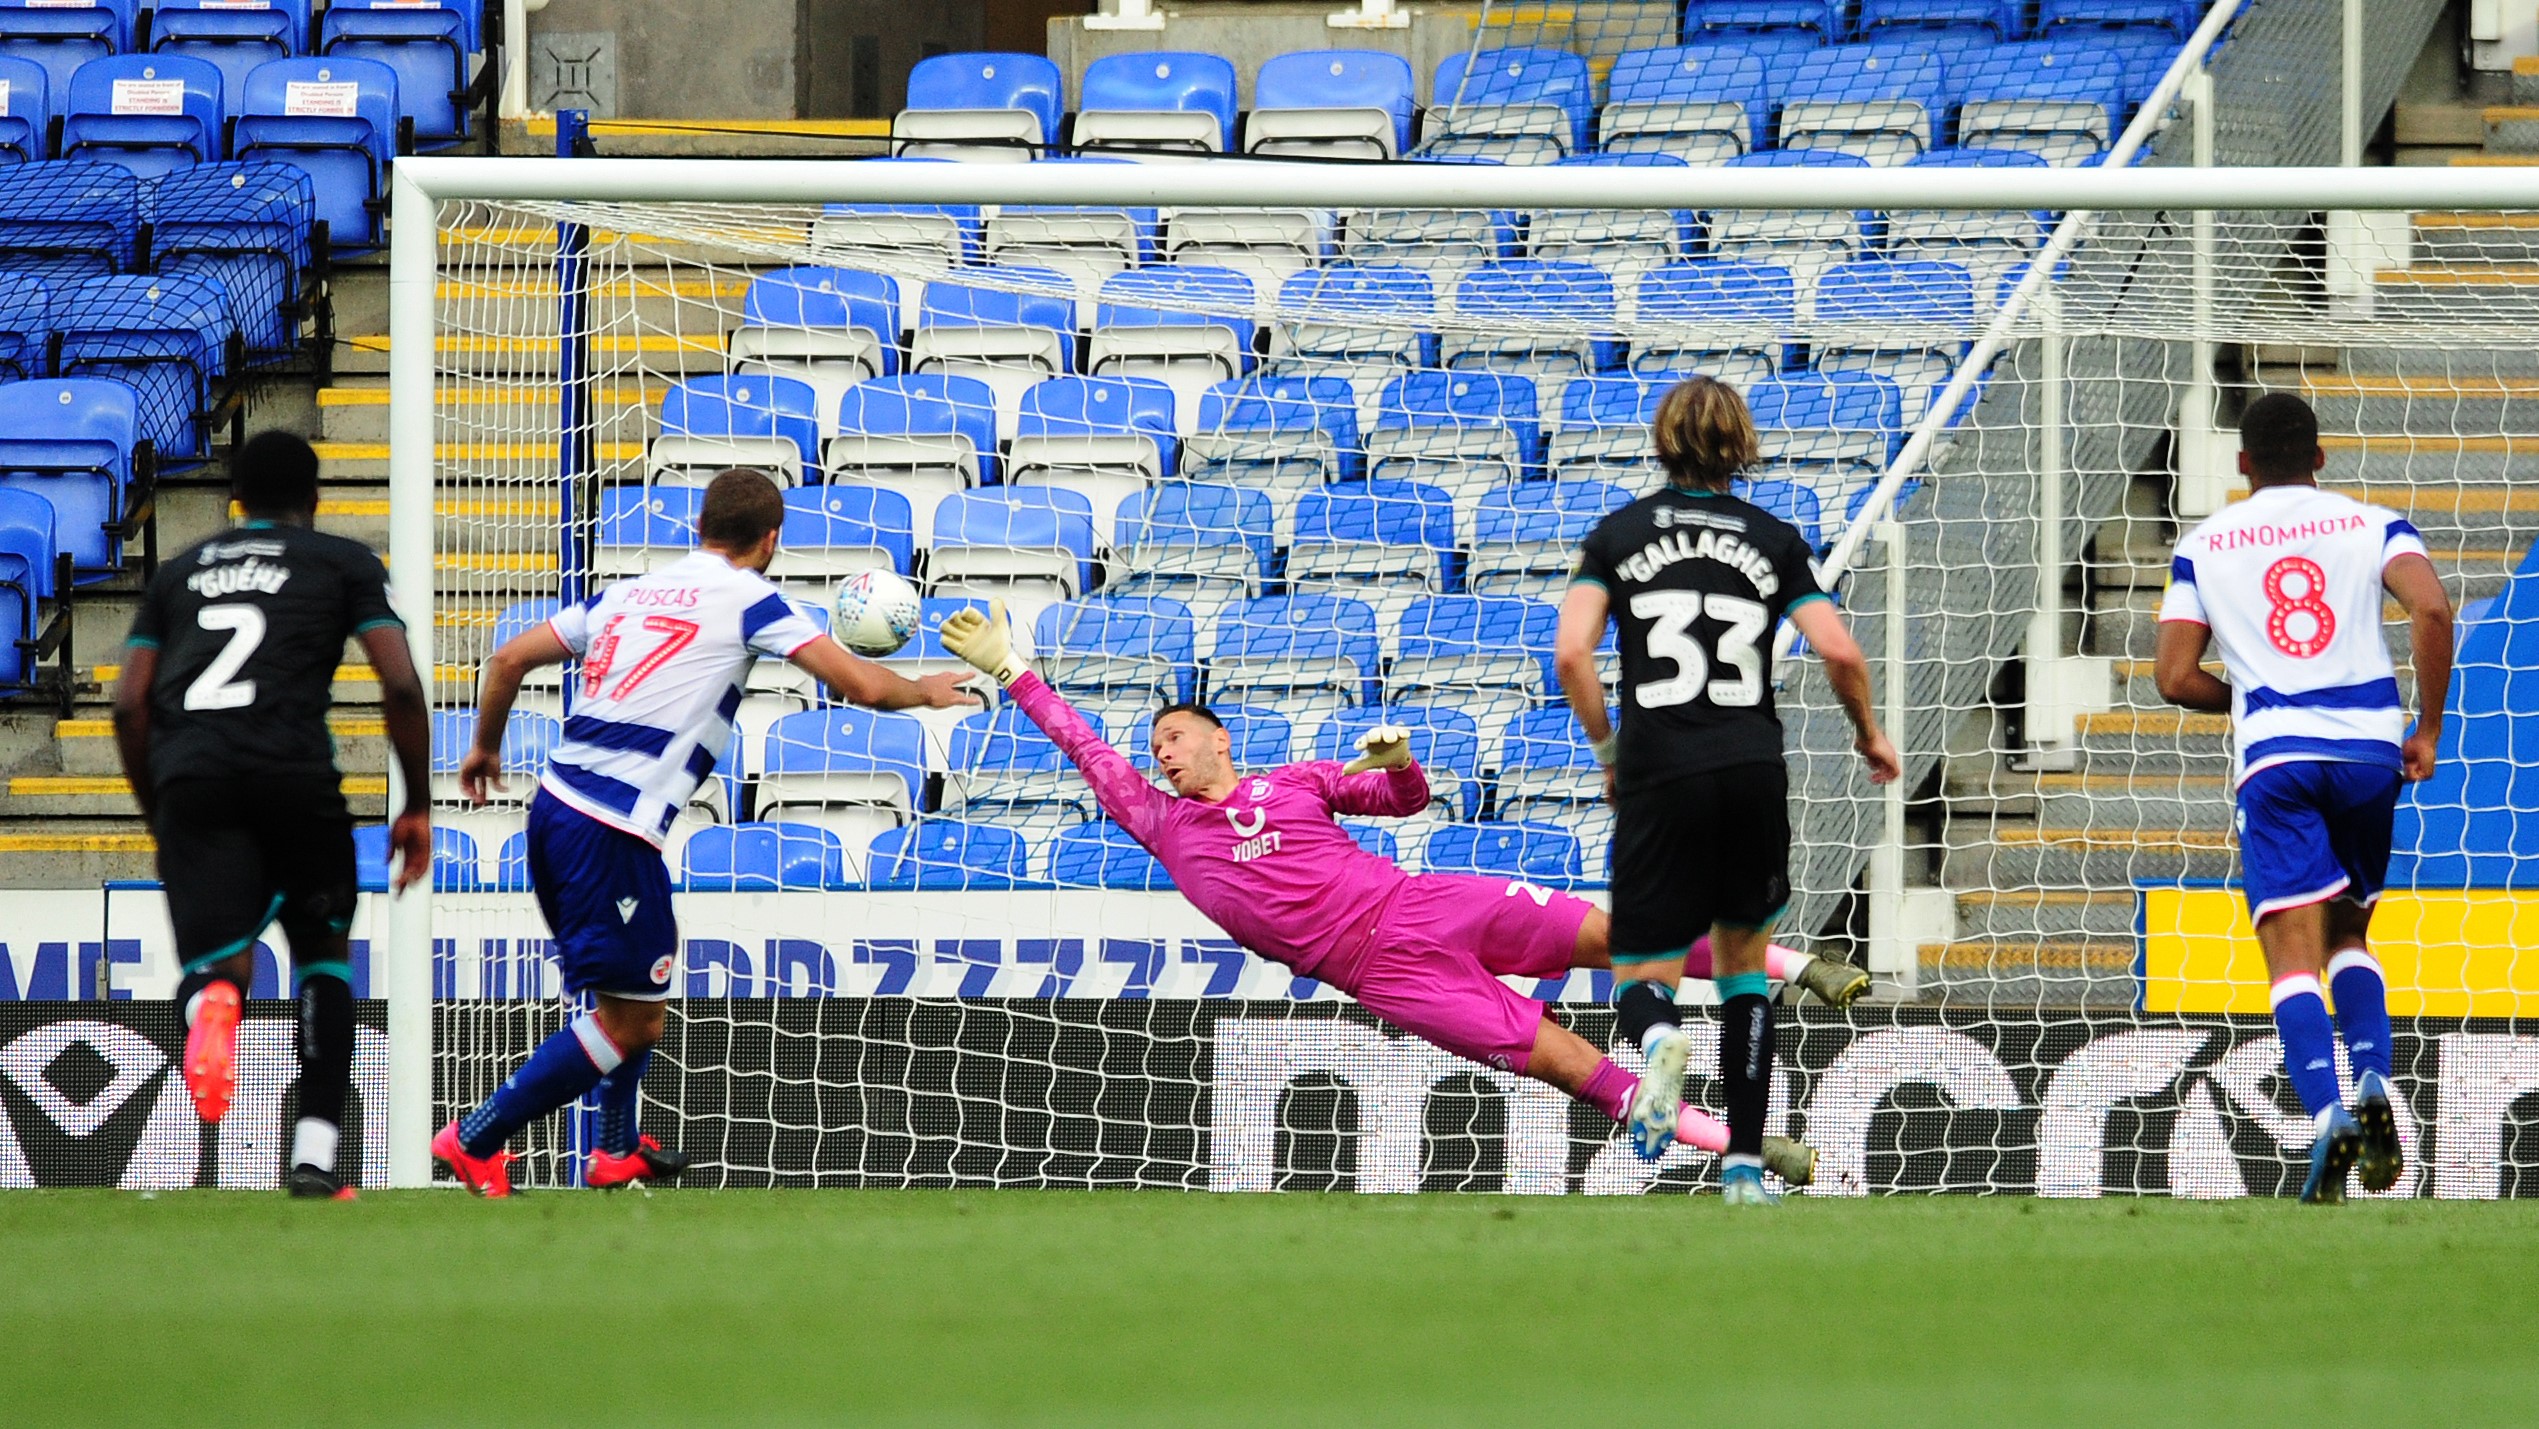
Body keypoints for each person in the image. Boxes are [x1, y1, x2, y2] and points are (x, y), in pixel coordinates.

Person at [937, 604, 1840, 1188]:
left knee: (1619, 934)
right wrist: (1012, 667)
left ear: (1220, 743)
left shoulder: (1294, 780)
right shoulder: (1164, 825)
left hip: (1423, 901)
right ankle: (1744, 1146)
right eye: (1156, 743)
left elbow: (1405, 802)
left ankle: (1794, 963)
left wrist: (1402, 763)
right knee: (1567, 1063)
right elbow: (1085, 747)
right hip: (1379, 973)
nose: (1160, 751)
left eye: (1175, 736)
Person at [436, 468, 975, 1197]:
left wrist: (483, 748)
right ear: (772, 538)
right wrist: (927, 690)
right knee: (632, 1022)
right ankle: (476, 1136)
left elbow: (506, 659)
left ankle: (615, 1149)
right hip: (609, 826)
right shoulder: (750, 598)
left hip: (558, 807)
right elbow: (861, 687)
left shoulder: (628, 592)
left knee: (637, 998)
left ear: (700, 529)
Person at [1554, 376, 1900, 1206]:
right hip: (1750, 767)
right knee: (1745, 973)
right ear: (1740, 444)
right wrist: (1867, 732)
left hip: (1658, 770)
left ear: (1661, 442)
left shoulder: (1617, 534)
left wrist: (1609, 751)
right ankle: (1745, 1168)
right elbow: (1841, 653)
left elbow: (1570, 654)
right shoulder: (1774, 539)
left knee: (1642, 968)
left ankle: (1663, 1037)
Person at [113, 430, 434, 1200]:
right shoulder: (342, 561)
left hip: (194, 778)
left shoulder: (179, 572)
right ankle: (315, 1158)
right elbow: (396, 683)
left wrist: (162, 806)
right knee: (322, 958)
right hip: (295, 779)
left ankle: (214, 1004)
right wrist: (416, 801)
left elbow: (128, 701)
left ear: (236, 500)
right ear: (314, 499)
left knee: (221, 963)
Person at [2155, 392, 2450, 1205]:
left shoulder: (2205, 544)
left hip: (2276, 760)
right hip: (2367, 753)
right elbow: (2429, 605)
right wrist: (2423, 728)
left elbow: (2173, 675)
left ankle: (2326, 1114)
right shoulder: (2371, 522)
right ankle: (2374, 1086)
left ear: (2242, 464)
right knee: (2349, 931)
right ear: (2318, 458)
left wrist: (2251, 699)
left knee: (2290, 951)